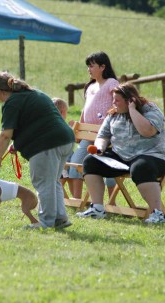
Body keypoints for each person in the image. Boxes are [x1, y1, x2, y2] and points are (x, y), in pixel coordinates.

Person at [0, 71, 75, 229]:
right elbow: (34, 121)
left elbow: (5, 135)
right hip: (66, 140)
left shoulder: (12, 102)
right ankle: (60, 218)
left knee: (43, 183)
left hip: (47, 145)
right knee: (53, 181)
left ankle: (45, 222)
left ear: (0, 92)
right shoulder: (34, 93)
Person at [81, 83, 165, 223]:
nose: (113, 103)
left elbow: (147, 131)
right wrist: (99, 148)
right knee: (90, 161)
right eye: (113, 99)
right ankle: (97, 209)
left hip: (153, 156)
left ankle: (157, 214)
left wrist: (132, 110)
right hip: (121, 157)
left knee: (141, 167)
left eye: (117, 100)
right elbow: (103, 136)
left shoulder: (150, 110)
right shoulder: (113, 115)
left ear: (130, 100)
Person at [68, 51, 119, 208]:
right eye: (88, 66)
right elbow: (86, 109)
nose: (89, 69)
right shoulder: (90, 86)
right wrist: (80, 127)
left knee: (108, 166)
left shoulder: (111, 83)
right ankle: (77, 200)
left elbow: (121, 100)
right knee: (76, 162)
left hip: (107, 135)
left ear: (103, 67)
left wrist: (114, 110)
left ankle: (112, 202)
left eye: (92, 66)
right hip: (88, 134)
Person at [52, 97, 76, 197]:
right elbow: (68, 138)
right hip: (63, 158)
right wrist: (72, 128)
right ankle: (64, 198)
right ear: (62, 112)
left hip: (62, 157)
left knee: (67, 178)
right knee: (62, 179)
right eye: (66, 112)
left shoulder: (51, 124)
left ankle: (72, 199)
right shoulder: (61, 125)